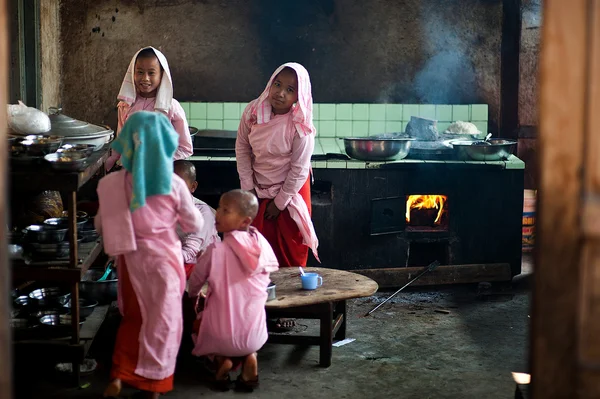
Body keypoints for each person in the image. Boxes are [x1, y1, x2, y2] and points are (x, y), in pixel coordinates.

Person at [96, 111, 204, 399]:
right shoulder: (174, 184)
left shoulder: (111, 185)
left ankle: (120, 376)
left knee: (134, 318)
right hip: (164, 263)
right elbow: (193, 224)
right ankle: (152, 386)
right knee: (164, 322)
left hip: (131, 264)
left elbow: (98, 224)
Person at [188, 189, 279, 392]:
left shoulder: (215, 250)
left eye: (226, 210)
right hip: (256, 336)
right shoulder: (262, 244)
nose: (218, 213)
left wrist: (192, 298)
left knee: (201, 323)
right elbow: (269, 276)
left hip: (220, 338)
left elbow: (195, 282)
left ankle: (222, 362)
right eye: (219, 208)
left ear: (245, 221)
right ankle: (250, 359)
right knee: (247, 318)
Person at [235, 62, 319, 269]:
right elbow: (242, 148)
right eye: (277, 84)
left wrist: (279, 203)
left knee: (292, 250)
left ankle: (294, 297)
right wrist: (248, 190)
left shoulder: (300, 125)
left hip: (292, 191)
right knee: (259, 249)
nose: (280, 93)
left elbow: (299, 170)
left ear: (299, 96)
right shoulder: (252, 112)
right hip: (258, 188)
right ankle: (262, 296)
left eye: (290, 90)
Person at [106, 46, 193, 171]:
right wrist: (107, 165)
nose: (145, 78)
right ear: (132, 73)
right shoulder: (126, 105)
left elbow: (185, 147)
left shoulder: (171, 107)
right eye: (140, 72)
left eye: (151, 73)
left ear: (162, 75)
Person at [173, 160, 220, 279]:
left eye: (180, 185)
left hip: (199, 263)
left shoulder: (202, 212)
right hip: (177, 258)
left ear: (193, 186)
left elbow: (190, 252)